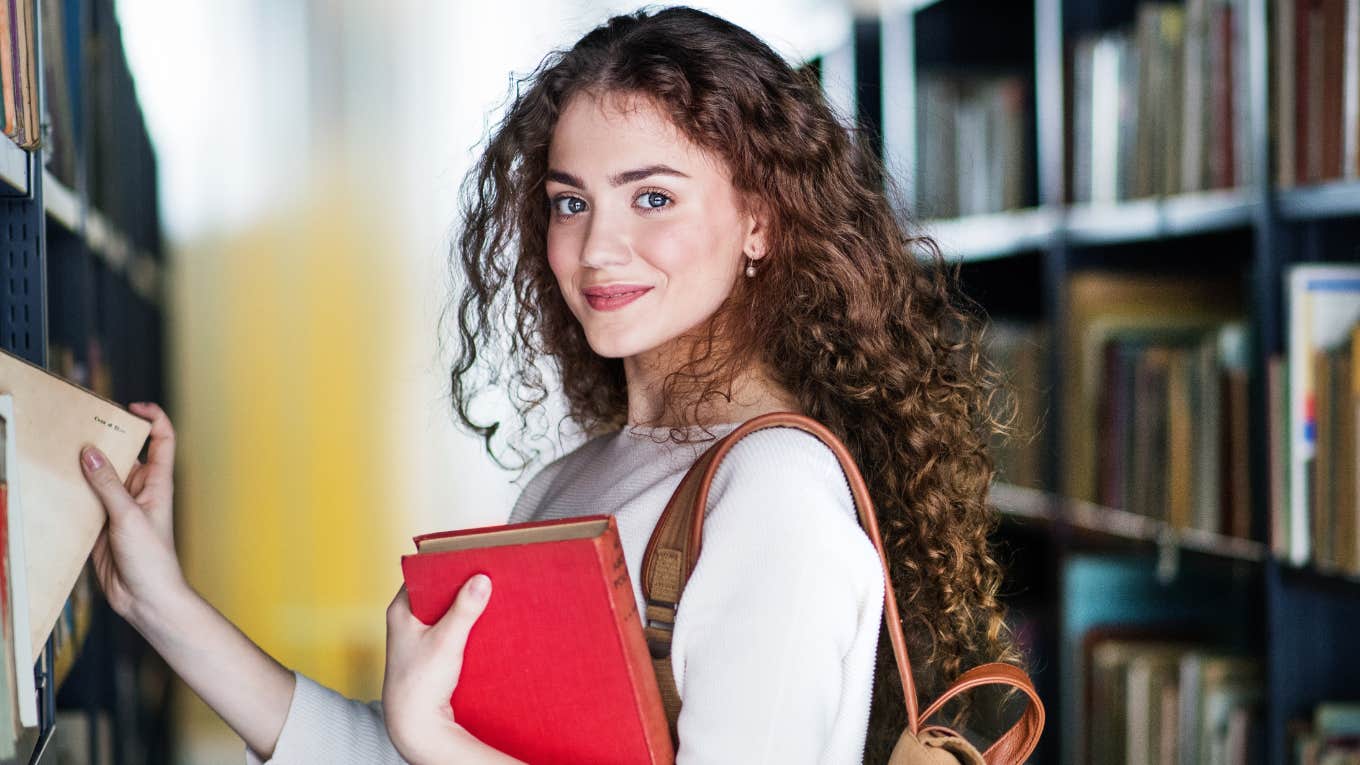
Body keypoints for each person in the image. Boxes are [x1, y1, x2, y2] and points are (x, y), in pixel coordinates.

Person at [78, 6, 1029, 764]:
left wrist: (438, 743)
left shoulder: (774, 493)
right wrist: (158, 598)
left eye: (652, 197)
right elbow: (394, 751)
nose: (596, 247)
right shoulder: (574, 481)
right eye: (571, 201)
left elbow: (433, 748)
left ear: (762, 223)